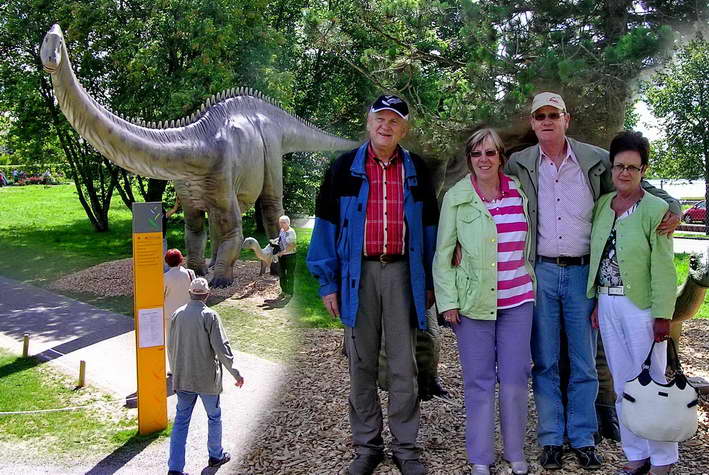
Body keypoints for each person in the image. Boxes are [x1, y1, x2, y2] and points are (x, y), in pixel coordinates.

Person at [504, 92, 681, 470]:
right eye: (540, 116)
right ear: (532, 122)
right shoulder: (518, 163)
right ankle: (551, 437)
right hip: (542, 270)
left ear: (566, 119)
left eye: (555, 114)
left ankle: (583, 437)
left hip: (586, 272)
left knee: (585, 361)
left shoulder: (596, 159)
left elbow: (636, 183)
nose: (547, 121)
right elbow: (492, 198)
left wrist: (675, 207)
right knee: (547, 361)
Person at [307, 94, 437, 475]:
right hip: (355, 276)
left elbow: (429, 230)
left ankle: (406, 448)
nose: (386, 126)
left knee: (404, 365)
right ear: (368, 123)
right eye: (380, 118)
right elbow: (326, 229)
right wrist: (328, 283)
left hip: (401, 274)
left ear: (404, 129)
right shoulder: (343, 168)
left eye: (394, 120)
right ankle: (367, 446)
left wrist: (428, 281)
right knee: (360, 365)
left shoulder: (418, 170)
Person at [434, 128, 534, 475]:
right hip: (473, 304)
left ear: (501, 157)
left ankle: (515, 451)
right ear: (469, 159)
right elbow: (443, 254)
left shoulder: (519, 193)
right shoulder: (457, 198)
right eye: (477, 154)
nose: (484, 159)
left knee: (515, 378)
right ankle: (480, 456)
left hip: (518, 300)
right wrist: (448, 302)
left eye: (491, 153)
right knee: (478, 381)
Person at [587, 131, 678, 475]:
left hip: (642, 307)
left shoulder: (656, 210)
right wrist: (596, 300)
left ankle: (663, 459)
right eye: (619, 167)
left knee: (653, 383)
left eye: (632, 167)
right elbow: (600, 257)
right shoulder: (603, 206)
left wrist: (662, 315)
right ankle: (636, 454)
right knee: (625, 383)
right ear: (612, 169)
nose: (624, 173)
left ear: (643, 170)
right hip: (608, 306)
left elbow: (664, 268)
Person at [167, 277, 245, 475]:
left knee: (181, 422)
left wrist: (175, 374)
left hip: (183, 378)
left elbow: (171, 347)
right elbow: (222, 348)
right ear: (207, 294)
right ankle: (215, 455)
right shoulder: (210, 316)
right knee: (214, 417)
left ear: (190, 293)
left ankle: (174, 468)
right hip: (206, 379)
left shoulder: (177, 314)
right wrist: (235, 373)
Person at [164, 249, 195, 372]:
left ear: (167, 262)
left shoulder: (165, 278)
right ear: (181, 259)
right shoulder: (189, 274)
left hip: (169, 314)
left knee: (171, 343)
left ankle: (173, 369)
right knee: (187, 341)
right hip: (188, 312)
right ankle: (188, 366)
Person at [275, 215, 297, 301]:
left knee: (289, 275)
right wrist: (275, 241)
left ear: (288, 223)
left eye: (283, 222)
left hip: (290, 256)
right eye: (280, 222)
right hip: (282, 255)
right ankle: (283, 291)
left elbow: (292, 245)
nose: (281, 224)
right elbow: (281, 239)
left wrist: (282, 252)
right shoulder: (282, 230)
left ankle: (290, 293)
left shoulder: (291, 232)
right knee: (282, 274)